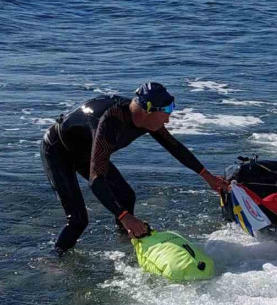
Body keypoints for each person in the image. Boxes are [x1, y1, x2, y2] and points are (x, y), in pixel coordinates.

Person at [41, 82, 228, 253]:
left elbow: (175, 147)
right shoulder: (110, 122)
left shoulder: (145, 119)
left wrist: (207, 176)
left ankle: (126, 240)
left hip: (87, 152)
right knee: (78, 220)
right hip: (58, 152)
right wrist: (124, 215)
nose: (167, 122)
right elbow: (96, 180)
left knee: (126, 196)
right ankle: (56, 258)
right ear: (147, 110)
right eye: (165, 115)